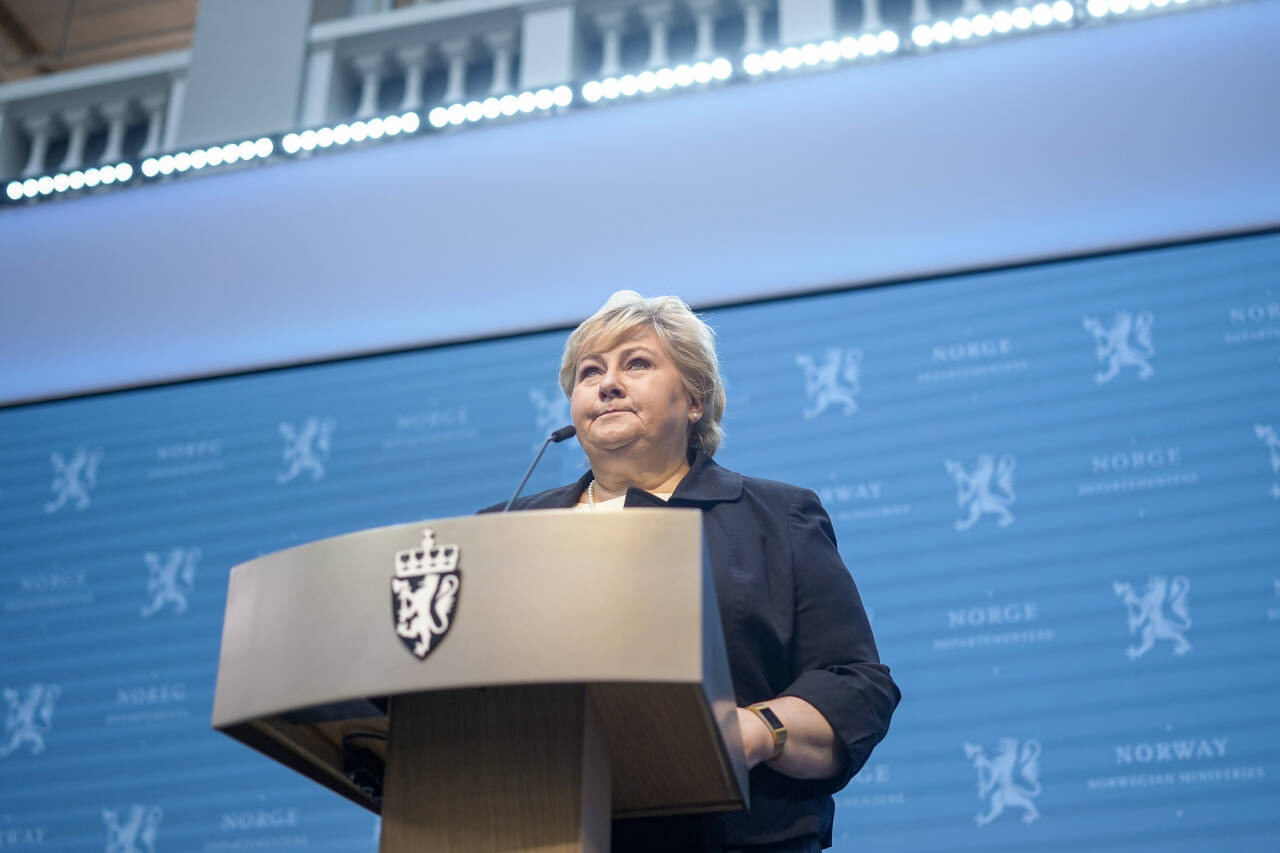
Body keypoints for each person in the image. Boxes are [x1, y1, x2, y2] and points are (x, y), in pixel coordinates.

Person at [490, 291, 900, 852]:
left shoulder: (775, 518)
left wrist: (759, 731)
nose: (607, 384)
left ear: (694, 401)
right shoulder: (504, 529)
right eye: (590, 372)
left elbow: (854, 684)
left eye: (636, 363)